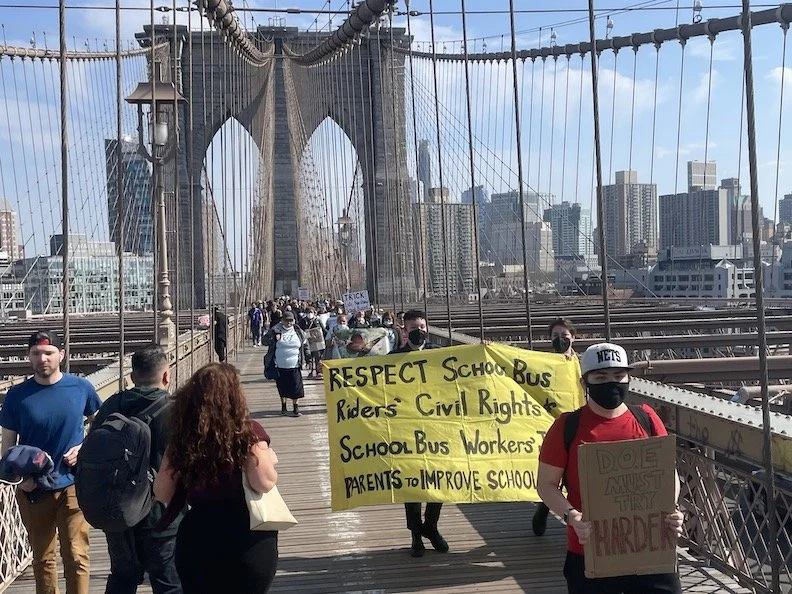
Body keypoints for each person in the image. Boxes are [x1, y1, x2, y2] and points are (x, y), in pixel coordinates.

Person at [537, 342, 684, 594]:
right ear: (585, 383)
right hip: (590, 551)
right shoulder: (567, 427)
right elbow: (545, 484)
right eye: (601, 377)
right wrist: (572, 516)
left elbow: (668, 473)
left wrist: (672, 509)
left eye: (619, 376)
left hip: (650, 550)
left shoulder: (647, 419)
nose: (611, 383)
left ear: (628, 378)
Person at [152, 363, 279, 594]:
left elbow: (161, 493)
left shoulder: (182, 438)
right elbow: (264, 482)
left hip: (199, 534)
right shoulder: (248, 433)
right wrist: (268, 455)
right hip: (246, 535)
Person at [0, 330, 102, 594]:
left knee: (76, 555)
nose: (42, 358)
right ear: (28, 357)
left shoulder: (81, 388)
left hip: (73, 483)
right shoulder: (16, 396)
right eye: (36, 353)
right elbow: (7, 445)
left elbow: (100, 425)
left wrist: (84, 448)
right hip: (34, 488)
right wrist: (21, 481)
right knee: (43, 559)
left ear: (62, 355)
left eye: (48, 353)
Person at [88, 344, 181, 594]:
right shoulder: (178, 410)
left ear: (131, 377)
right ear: (166, 376)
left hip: (118, 511)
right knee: (168, 582)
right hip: (162, 513)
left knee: (122, 578)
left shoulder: (111, 406)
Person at [389, 310, 448, 558]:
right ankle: (416, 535)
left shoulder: (440, 355)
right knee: (411, 485)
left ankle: (431, 526)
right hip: (406, 430)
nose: (419, 331)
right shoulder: (392, 359)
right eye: (413, 327)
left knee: (440, 479)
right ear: (405, 330)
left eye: (422, 326)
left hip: (436, 429)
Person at [533, 317, 579, 536]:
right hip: (550, 426)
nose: (560, 341)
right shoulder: (544, 364)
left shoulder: (582, 364)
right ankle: (544, 509)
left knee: (573, 475)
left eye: (564, 336)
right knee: (554, 473)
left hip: (577, 425)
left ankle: (572, 517)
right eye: (555, 337)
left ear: (573, 338)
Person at [262, 311, 310, 417]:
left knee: (296, 386)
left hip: (295, 364)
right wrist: (272, 337)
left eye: (291, 320)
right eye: (286, 320)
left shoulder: (298, 331)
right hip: (280, 364)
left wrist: (308, 357)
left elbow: (305, 344)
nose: (289, 322)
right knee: (282, 386)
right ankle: (283, 407)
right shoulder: (275, 330)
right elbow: (264, 341)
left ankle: (295, 408)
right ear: (282, 320)